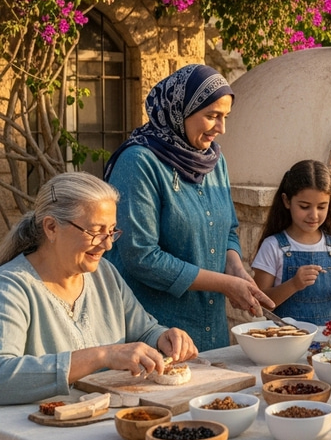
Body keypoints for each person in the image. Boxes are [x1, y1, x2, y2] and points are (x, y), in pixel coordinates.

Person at [104, 64, 273, 352]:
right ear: (179, 111)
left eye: (225, 117)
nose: (221, 128)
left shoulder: (215, 162)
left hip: (212, 332)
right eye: (212, 116)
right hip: (157, 336)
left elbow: (228, 231)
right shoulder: (138, 162)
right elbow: (141, 256)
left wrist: (235, 270)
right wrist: (224, 284)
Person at [0, 173, 197, 405]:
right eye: (96, 231)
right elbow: (3, 375)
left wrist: (163, 338)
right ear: (51, 227)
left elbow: (143, 331)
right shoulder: (11, 286)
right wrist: (102, 355)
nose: (108, 244)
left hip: (114, 419)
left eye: (111, 231)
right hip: (40, 425)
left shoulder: (104, 273)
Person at [251, 160, 331, 324]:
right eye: (304, 206)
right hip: (286, 337)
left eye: (321, 207)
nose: (314, 215)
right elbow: (261, 304)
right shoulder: (273, 246)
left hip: (330, 338)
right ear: (287, 201)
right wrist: (294, 284)